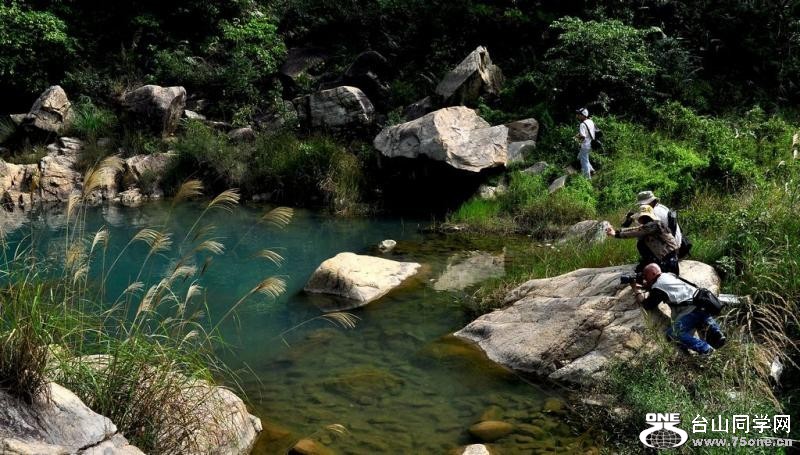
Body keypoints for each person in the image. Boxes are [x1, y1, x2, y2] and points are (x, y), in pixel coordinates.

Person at [631, 263, 726, 354]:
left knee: (674, 333)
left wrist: (636, 289)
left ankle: (706, 349)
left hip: (691, 311)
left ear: (653, 273)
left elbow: (647, 305)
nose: (644, 278)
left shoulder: (658, 286)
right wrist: (646, 286)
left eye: (645, 275)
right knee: (702, 317)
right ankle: (716, 333)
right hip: (702, 304)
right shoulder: (669, 275)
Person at [606, 204, 680, 275]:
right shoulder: (651, 225)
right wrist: (617, 231)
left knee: (641, 243)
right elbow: (636, 229)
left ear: (643, 217)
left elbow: (635, 232)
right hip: (668, 255)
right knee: (642, 243)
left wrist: (616, 235)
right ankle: (649, 263)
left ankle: (651, 264)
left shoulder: (653, 225)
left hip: (668, 258)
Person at [574, 107, 596, 179]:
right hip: (591, 143)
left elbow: (583, 136)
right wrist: (578, 135)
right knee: (580, 157)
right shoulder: (590, 121)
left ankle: (587, 178)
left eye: (579, 114)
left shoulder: (582, 124)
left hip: (585, 145)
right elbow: (588, 131)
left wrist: (576, 139)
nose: (578, 116)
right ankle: (592, 170)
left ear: (583, 115)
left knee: (584, 161)